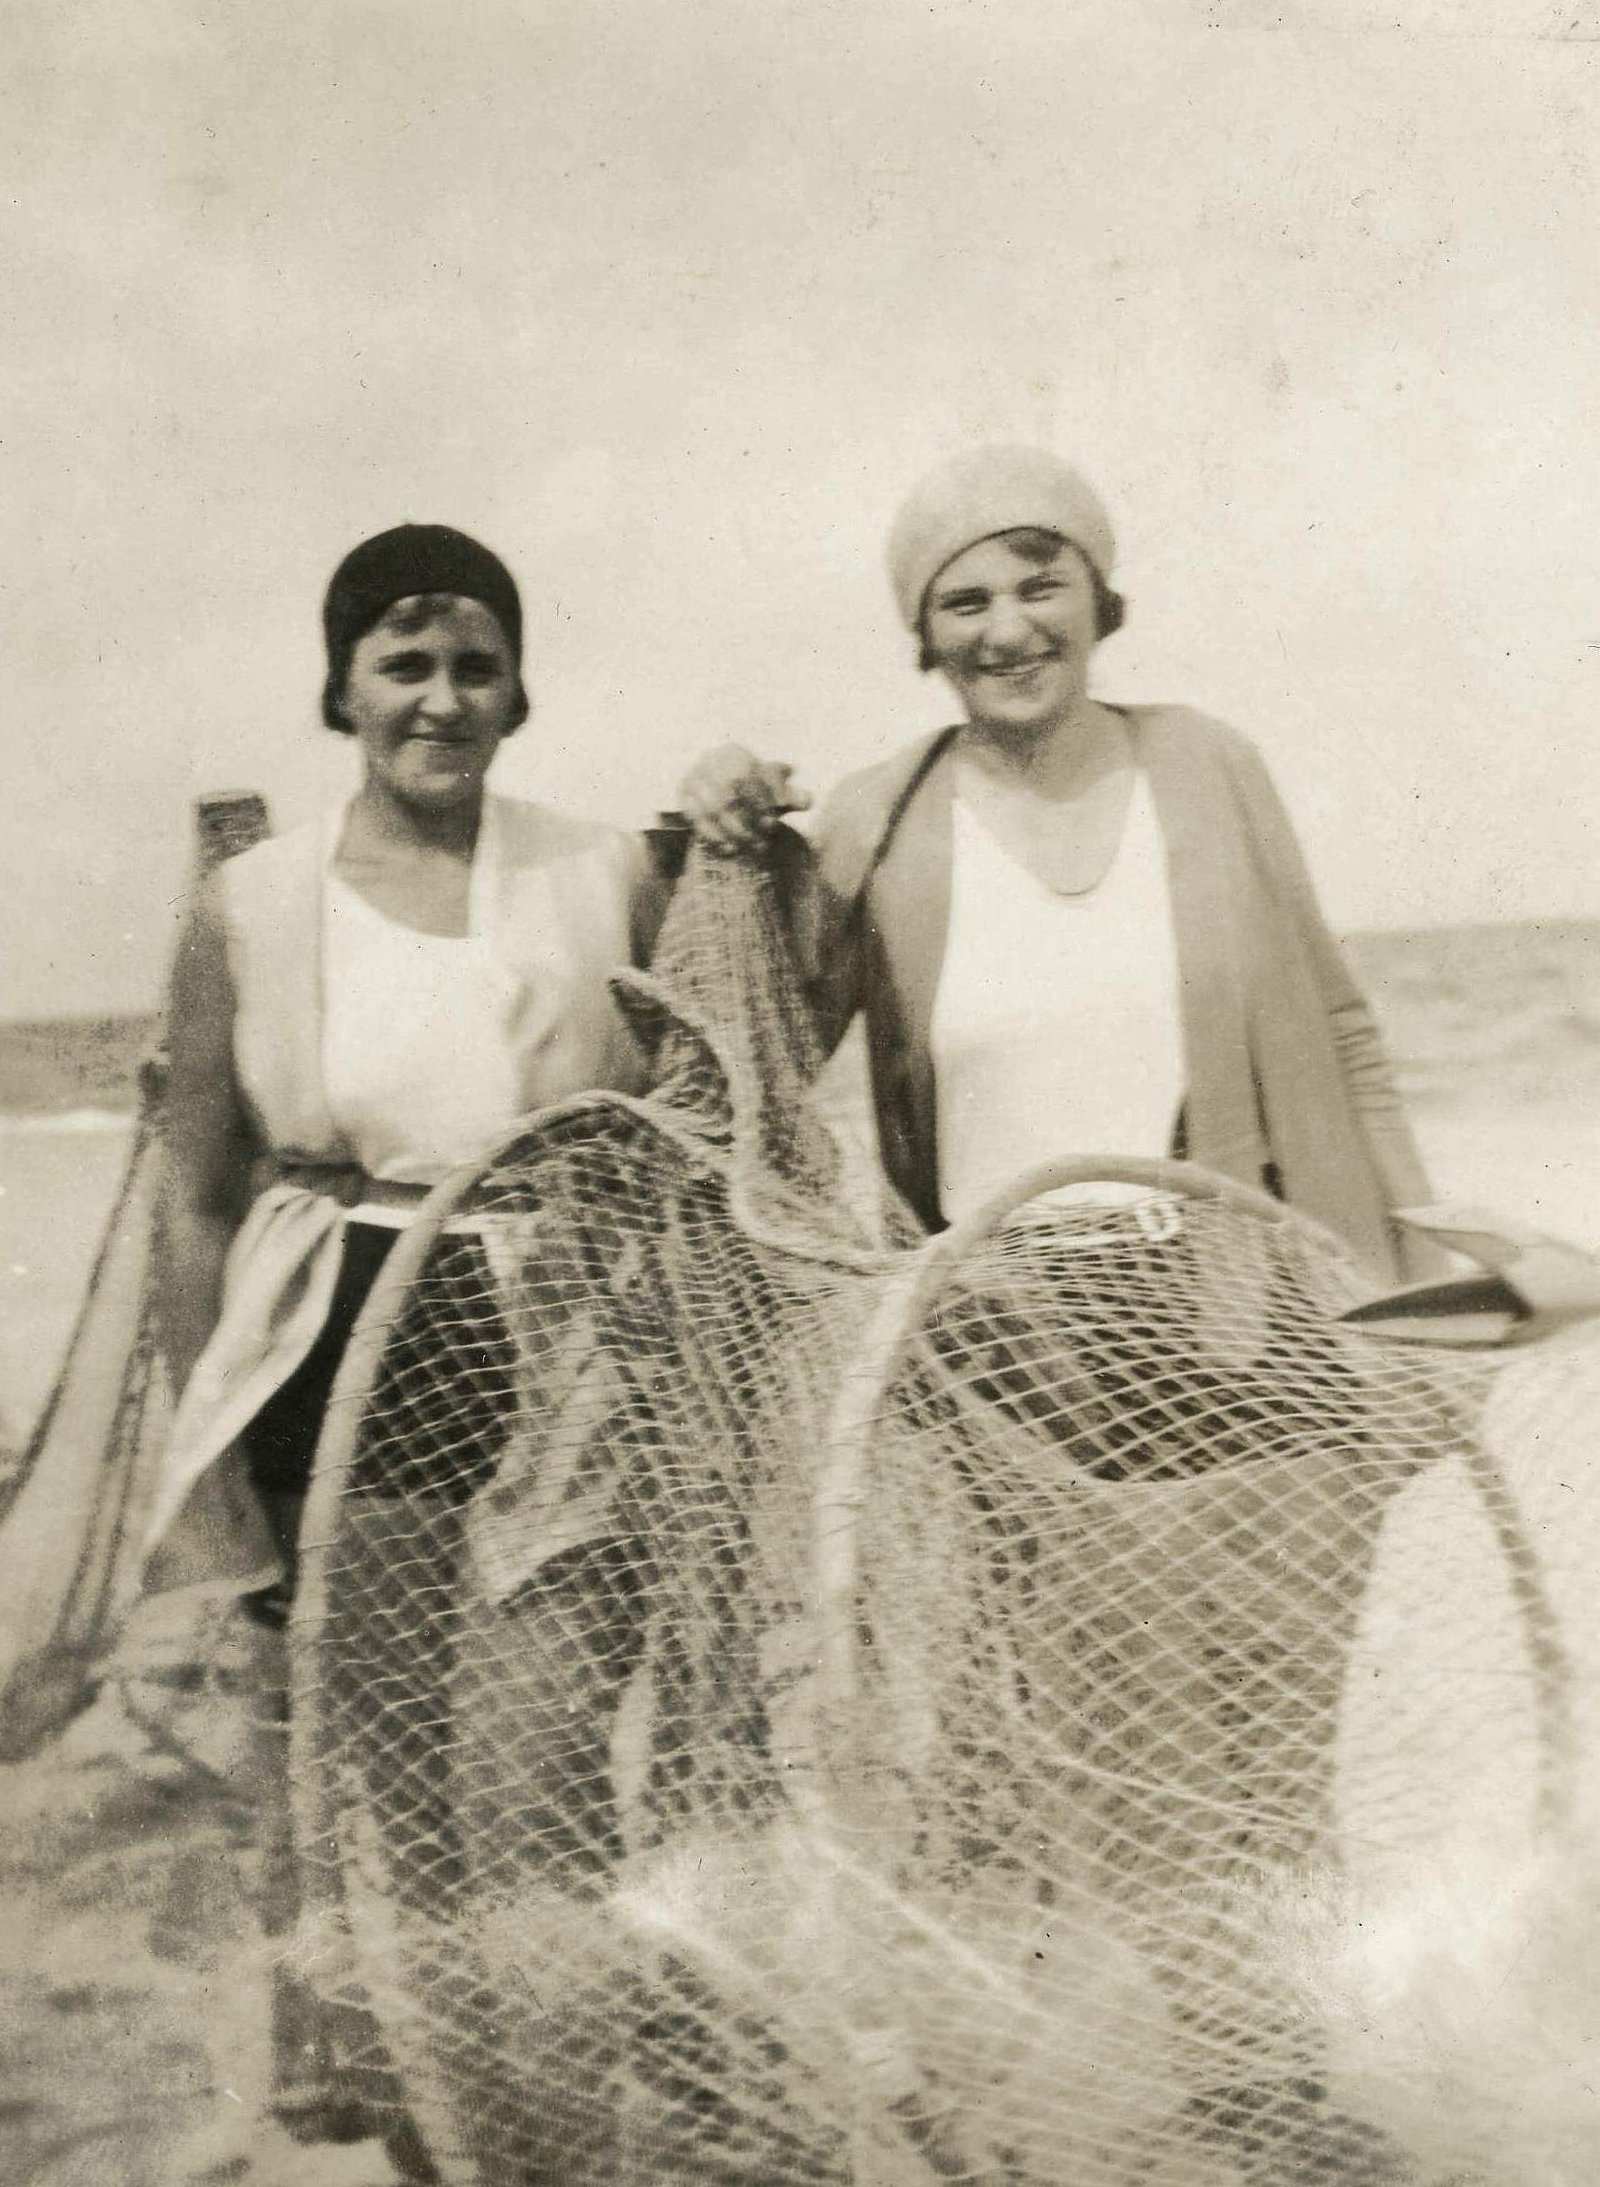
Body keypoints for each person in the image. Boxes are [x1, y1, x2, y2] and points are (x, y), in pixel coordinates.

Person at [148, 522, 666, 2168]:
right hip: (338, 1370)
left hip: (557, 1361)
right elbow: (196, 1204)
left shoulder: (604, 872)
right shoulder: (251, 903)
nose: (442, 699)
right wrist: (213, 1472)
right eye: (405, 664)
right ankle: (455, 2151)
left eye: (476, 667)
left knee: (548, 1806)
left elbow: (705, 1106)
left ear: (517, 691)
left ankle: (560, 2147)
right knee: (404, 1828)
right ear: (343, 688)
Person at [678, 442, 1434, 1280]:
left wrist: (1429, 1258)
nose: (1008, 631)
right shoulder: (875, 820)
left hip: (1232, 1301)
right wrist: (725, 825)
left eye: (1041, 588)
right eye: (965, 603)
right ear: (925, 636)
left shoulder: (1210, 765)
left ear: (1100, 604)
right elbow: (749, 1074)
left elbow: (1342, 1033)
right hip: (984, 1315)